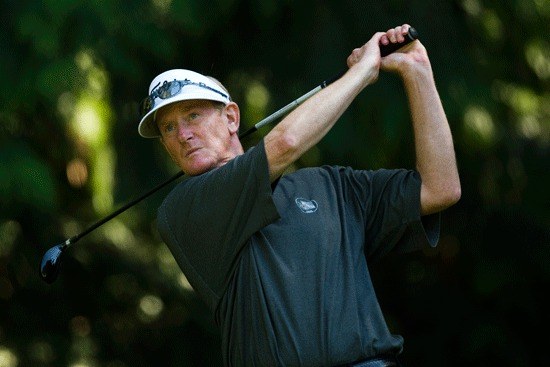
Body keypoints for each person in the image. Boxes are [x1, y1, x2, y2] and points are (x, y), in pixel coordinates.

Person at [138, 24, 461, 367]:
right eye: (168, 128)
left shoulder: (330, 185)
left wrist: (417, 71)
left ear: (231, 117)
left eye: (192, 116)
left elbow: (440, 189)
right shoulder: (184, 209)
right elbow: (286, 143)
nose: (183, 134)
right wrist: (363, 72)